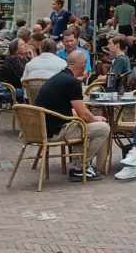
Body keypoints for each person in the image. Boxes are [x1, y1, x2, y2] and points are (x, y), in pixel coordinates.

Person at [35, 50, 110, 180]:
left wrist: (91, 118)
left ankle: (80, 166)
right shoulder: (72, 82)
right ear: (81, 64)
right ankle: (80, 167)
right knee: (103, 128)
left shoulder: (58, 77)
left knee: (82, 125)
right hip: (55, 132)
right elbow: (84, 114)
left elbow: (69, 110)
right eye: (85, 63)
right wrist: (95, 119)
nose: (86, 66)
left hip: (40, 129)